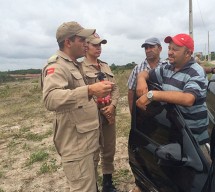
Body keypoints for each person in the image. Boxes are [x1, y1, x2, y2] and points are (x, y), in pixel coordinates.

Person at [42, 21, 114, 192]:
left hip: (87, 139)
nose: (86, 43)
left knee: (90, 184)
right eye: (81, 40)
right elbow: (51, 98)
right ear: (68, 42)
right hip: (76, 145)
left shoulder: (74, 64)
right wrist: (89, 90)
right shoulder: (57, 66)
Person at [136, 33, 209, 145]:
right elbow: (145, 73)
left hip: (193, 139)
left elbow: (188, 98)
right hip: (174, 132)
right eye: (169, 48)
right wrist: (141, 79)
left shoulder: (196, 72)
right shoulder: (167, 68)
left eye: (175, 49)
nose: (169, 52)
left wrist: (152, 95)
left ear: (188, 53)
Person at [81, 32, 119, 192]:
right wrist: (101, 108)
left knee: (109, 149)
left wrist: (113, 106)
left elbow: (115, 88)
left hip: (109, 115)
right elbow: (83, 93)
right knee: (92, 153)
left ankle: (107, 182)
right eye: (95, 44)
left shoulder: (105, 66)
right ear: (85, 46)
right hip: (92, 118)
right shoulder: (80, 68)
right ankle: (93, 185)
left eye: (100, 45)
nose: (99, 48)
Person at [127, 37, 165, 114]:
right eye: (146, 48)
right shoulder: (137, 69)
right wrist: (133, 112)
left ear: (160, 49)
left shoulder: (167, 67)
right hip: (144, 112)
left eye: (151, 47)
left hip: (163, 111)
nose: (148, 50)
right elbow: (131, 92)